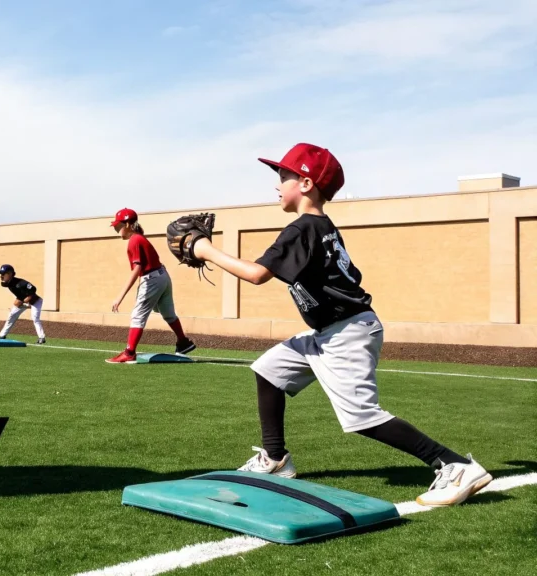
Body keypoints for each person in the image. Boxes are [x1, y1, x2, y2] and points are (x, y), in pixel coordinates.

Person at [187, 143, 491, 506]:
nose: (276, 184)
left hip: (347, 332)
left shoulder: (302, 229)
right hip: (330, 331)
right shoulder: (321, 226)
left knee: (361, 417)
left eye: (283, 176)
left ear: (305, 183)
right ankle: (275, 458)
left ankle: (454, 464)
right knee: (269, 369)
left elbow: (256, 274)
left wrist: (204, 249)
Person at [106, 208, 197, 364]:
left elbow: (137, 269)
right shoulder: (139, 238)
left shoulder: (134, 240)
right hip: (162, 276)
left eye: (118, 225)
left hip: (152, 279)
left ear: (127, 224)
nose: (116, 228)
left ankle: (129, 352)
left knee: (137, 315)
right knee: (168, 313)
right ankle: (183, 342)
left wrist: (120, 297)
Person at [0, 264, 46, 344]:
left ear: (10, 274)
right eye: (1, 274)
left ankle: (41, 338)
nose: (1, 276)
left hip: (35, 302)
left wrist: (28, 299)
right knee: (11, 315)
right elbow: (20, 295)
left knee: (35, 318)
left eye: (3, 274)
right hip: (23, 301)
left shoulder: (20, 283)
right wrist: (21, 301)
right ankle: (2, 335)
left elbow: (33, 288)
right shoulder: (8, 283)